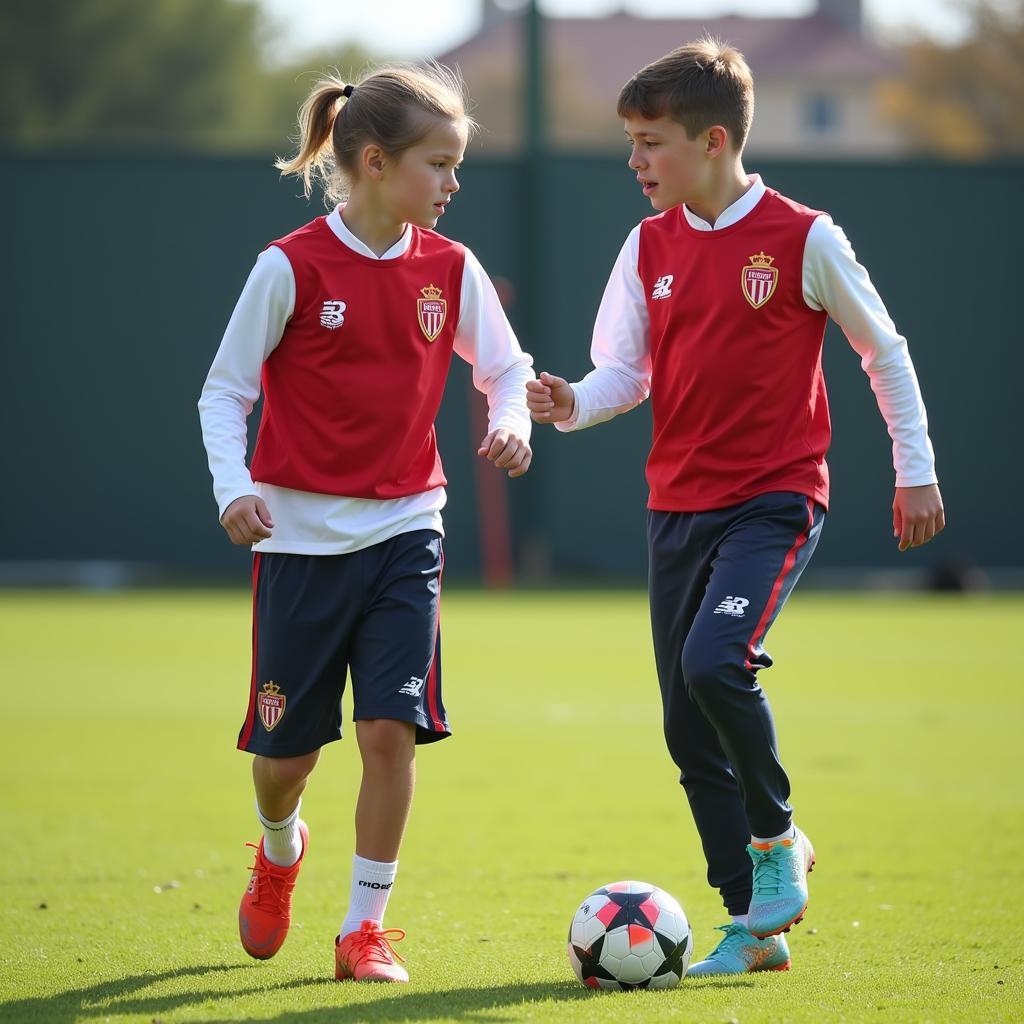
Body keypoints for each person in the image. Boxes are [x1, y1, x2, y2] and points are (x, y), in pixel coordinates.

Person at [526, 38, 944, 977]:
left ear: (713, 141)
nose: (634, 161)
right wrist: (572, 404)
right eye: (631, 142)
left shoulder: (806, 237)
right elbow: (624, 374)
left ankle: (777, 843)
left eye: (650, 142)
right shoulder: (647, 245)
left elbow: (887, 352)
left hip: (774, 499)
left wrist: (915, 469)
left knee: (718, 662)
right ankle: (754, 929)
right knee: (685, 724)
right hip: (675, 507)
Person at [198, 62, 533, 984]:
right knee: (285, 761)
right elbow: (224, 393)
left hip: (407, 533)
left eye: (459, 164)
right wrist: (236, 488)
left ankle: (364, 929)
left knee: (392, 732)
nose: (454, 183)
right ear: (377, 162)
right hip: (299, 545)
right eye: (440, 164)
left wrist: (509, 422)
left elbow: (505, 371)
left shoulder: (451, 269)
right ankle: (278, 849)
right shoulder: (289, 266)